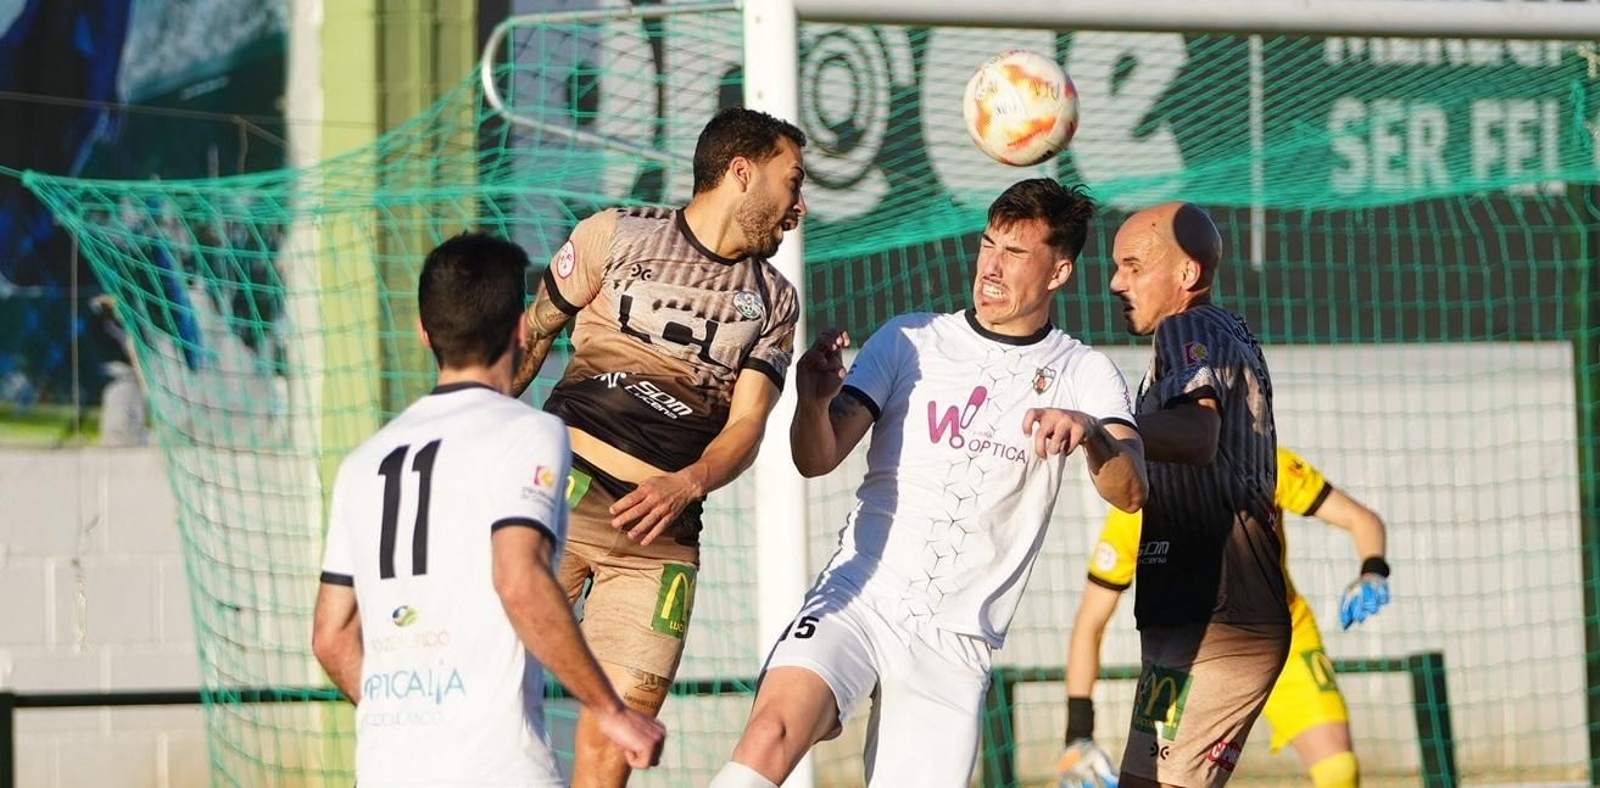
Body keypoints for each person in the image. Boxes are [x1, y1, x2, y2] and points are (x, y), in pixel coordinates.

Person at [705, 178, 1148, 788]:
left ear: (1058, 272)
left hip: (955, 640)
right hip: (862, 596)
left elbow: (1130, 489)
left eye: (1015, 254)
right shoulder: (909, 339)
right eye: (988, 244)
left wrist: (1091, 432)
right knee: (770, 733)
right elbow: (818, 458)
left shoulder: (1085, 372)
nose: (991, 266)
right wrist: (811, 404)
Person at [509, 107, 807, 786]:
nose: (798, 205)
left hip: (659, 548)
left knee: (611, 746)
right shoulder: (614, 234)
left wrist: (687, 483)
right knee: (488, 692)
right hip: (553, 505)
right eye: (791, 182)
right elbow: (532, 336)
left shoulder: (775, 302)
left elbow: (746, 428)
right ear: (741, 172)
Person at [311, 233, 665, 787]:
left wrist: (409, 730)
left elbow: (330, 636)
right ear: (522, 331)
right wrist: (612, 712)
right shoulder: (528, 433)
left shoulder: (364, 462)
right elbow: (519, 579)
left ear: (424, 333)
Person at [1057, 446, 1392, 788]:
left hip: (1281, 636)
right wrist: (1077, 735)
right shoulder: (1136, 507)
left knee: (1339, 771)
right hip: (1186, 657)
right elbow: (1090, 623)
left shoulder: (1263, 461)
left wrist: (1373, 570)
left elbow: (1360, 519)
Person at [1097, 202, 1287, 788]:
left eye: (1132, 265)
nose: (1115, 282)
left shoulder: (1189, 327)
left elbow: (1198, 436)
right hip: (1182, 622)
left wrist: (1096, 425)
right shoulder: (1216, 334)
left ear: (1187, 275)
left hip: (1222, 621)